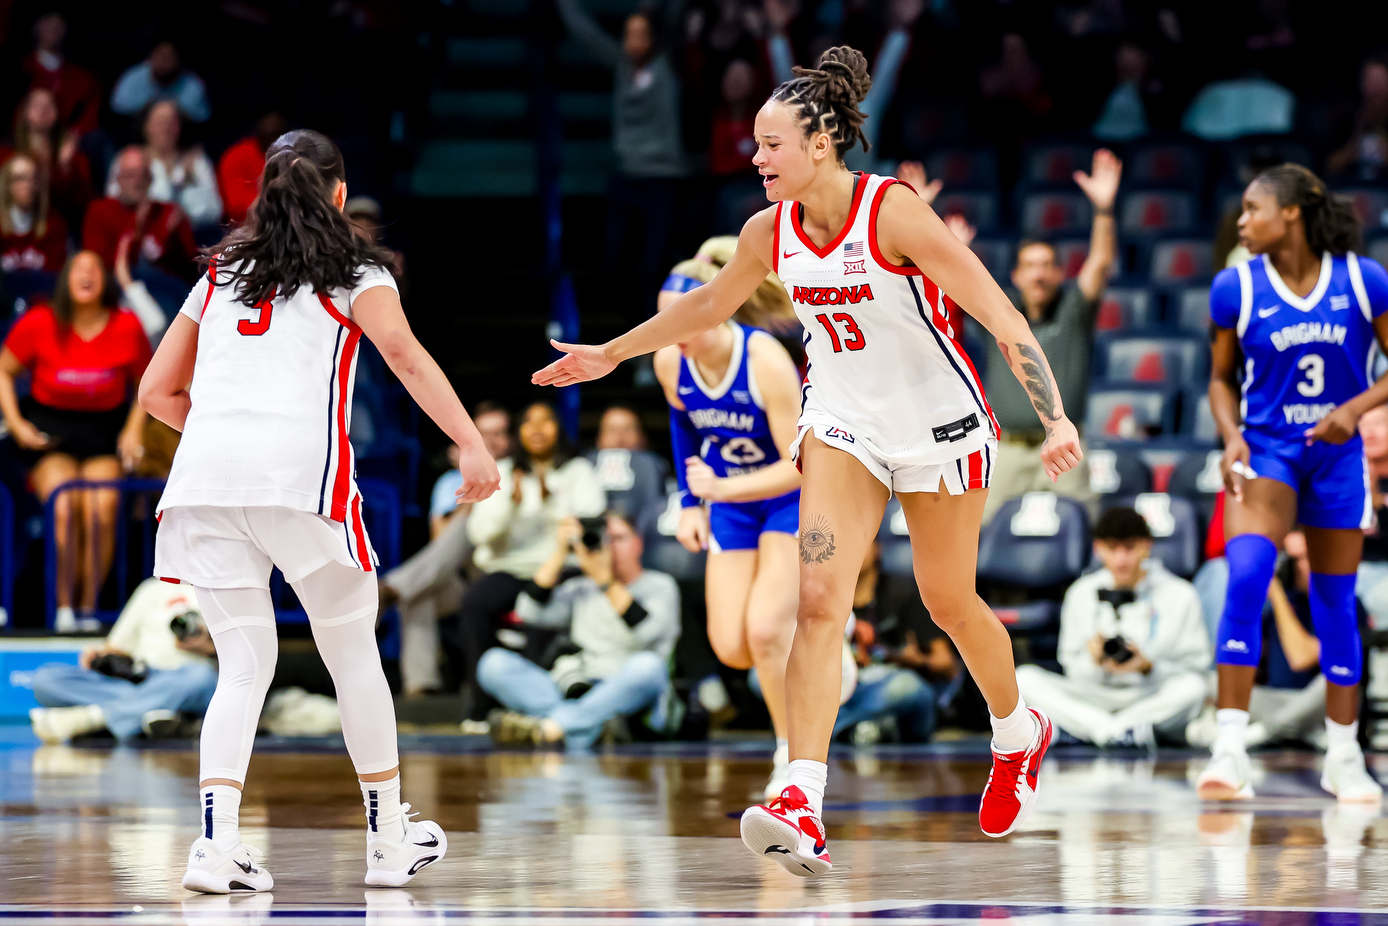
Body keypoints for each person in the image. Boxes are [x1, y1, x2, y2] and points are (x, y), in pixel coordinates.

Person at [533, 45, 1084, 875]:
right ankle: (803, 794)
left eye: (771, 145)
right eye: (755, 145)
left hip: (938, 424)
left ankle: (1017, 732)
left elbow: (998, 312)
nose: (754, 158)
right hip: (843, 424)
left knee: (949, 602)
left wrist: (1056, 415)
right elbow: (711, 304)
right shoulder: (767, 231)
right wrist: (612, 353)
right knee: (819, 604)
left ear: (820, 144)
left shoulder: (892, 213)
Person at [138, 129, 501, 891]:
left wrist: (223, 441)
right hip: (302, 483)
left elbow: (155, 395)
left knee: (242, 666)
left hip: (201, 484)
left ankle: (213, 846)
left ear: (261, 194)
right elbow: (403, 355)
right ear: (340, 195)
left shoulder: (218, 274)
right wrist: (470, 443)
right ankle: (387, 840)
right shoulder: (356, 269)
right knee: (353, 658)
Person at [1197, 163, 1388, 804]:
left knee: (1335, 602)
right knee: (1246, 579)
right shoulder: (1234, 287)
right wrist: (1231, 435)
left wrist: (1356, 410)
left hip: (1336, 457)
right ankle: (1229, 749)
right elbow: (1220, 378)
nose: (1242, 221)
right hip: (1268, 449)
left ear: (1295, 211)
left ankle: (1343, 755)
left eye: (1254, 209)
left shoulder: (1363, 280)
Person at [655, 236, 802, 799]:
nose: (670, 331)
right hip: (730, 502)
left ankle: (791, 756)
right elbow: (683, 426)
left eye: (680, 319)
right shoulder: (672, 360)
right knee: (731, 646)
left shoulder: (763, 359)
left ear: (714, 309)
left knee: (765, 631)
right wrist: (692, 503)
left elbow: (800, 466)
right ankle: (815, 640)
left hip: (786, 497)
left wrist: (720, 487)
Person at [0, 251, 149, 631]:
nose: (87, 275)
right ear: (66, 278)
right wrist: (15, 424)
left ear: (105, 282)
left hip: (104, 431)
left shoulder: (126, 326)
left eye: (95, 269)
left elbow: (146, 385)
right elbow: (3, 369)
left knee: (102, 507)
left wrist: (133, 429)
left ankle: (87, 610)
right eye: (79, 269)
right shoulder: (40, 321)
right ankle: (63, 609)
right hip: (51, 434)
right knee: (65, 505)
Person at [972, 149, 1120, 525]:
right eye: (1029, 266)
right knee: (976, 532)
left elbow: (1100, 263)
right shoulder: (998, 316)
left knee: (1088, 531)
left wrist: (1103, 210)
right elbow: (954, 282)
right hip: (1008, 450)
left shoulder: (1074, 312)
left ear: (1059, 273)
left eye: (1046, 266)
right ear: (1016, 276)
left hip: (1066, 445)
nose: (1038, 275)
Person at [456, 401, 606, 718]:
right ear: (518, 433)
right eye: (529, 422)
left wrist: (551, 503)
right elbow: (478, 535)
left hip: (564, 570)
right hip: (512, 569)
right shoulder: (502, 473)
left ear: (559, 428)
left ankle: (543, 705)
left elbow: (592, 524)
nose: (537, 429)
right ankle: (482, 705)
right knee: (474, 604)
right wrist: (510, 505)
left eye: (546, 421)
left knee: (544, 608)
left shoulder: (577, 471)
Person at [479, 512, 680, 748]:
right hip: (577, 687)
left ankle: (548, 728)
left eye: (619, 538)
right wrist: (560, 553)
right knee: (492, 664)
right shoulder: (582, 587)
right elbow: (527, 611)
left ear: (639, 542)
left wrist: (606, 581)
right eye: (605, 539)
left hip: (627, 689)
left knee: (649, 666)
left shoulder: (660, 586)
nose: (611, 547)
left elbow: (645, 633)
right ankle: (585, 726)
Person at [1015, 508, 1210, 747]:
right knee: (1022, 679)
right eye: (1111, 548)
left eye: (1129, 548)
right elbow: (1071, 667)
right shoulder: (1081, 592)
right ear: (1097, 548)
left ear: (1146, 546)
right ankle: (1118, 732)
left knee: (1195, 689)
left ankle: (1090, 731)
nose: (1120, 559)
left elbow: (1195, 668)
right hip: (1092, 695)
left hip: (1150, 694)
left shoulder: (1181, 595)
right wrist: (1093, 661)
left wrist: (1149, 667)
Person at [554, 0, 687, 312]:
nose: (633, 41)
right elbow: (588, 35)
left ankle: (657, 338)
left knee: (652, 266)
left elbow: (676, 19)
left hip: (663, 179)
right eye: (629, 34)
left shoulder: (668, 67)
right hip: (627, 175)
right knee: (612, 260)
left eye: (641, 34)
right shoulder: (623, 68)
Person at [380, 401, 512, 696]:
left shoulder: (519, 474)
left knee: (474, 514)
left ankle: (389, 588)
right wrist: (472, 480)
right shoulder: (449, 482)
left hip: (499, 573)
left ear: (511, 439)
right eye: (483, 434)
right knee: (417, 595)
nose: (490, 442)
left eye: (499, 433)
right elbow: (441, 542)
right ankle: (421, 686)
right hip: (457, 573)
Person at [1188, 530, 1346, 751]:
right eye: (1294, 560)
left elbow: (1301, 658)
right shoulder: (1278, 606)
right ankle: (1299, 731)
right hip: (1278, 701)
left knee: (1334, 680)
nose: (1300, 567)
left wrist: (1276, 593)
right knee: (1214, 681)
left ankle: (1263, 734)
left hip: (1319, 705)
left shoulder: (1343, 604)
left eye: (1308, 558)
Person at [28, 578, 216, 742]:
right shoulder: (151, 588)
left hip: (190, 677)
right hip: (140, 677)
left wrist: (209, 649)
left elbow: (241, 657)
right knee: (46, 680)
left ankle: (94, 718)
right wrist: (100, 657)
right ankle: (158, 714)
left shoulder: (218, 591)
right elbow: (117, 646)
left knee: (202, 677)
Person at [83, 146, 200, 312]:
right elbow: (99, 265)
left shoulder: (168, 212)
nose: (137, 182)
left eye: (143, 175)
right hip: (120, 290)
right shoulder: (100, 211)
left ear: (151, 179)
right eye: (130, 175)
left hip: (169, 288)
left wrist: (173, 239)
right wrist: (137, 231)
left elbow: (190, 268)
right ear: (118, 180)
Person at [108, 100, 221, 229]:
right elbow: (114, 203)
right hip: (141, 232)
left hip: (194, 236)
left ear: (180, 127)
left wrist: (186, 186)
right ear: (145, 126)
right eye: (159, 122)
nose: (165, 128)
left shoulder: (197, 161)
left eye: (171, 123)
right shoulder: (129, 159)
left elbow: (214, 211)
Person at [1, 86, 94, 224]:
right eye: (36, 104)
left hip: (59, 230)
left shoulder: (76, 158)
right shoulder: (7, 155)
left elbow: (84, 208)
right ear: (24, 112)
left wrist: (65, 167)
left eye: (50, 104)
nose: (44, 108)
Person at [21, 13, 102, 137]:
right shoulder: (21, 69)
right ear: (36, 26)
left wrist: (72, 135)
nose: (53, 29)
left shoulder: (82, 77)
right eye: (48, 22)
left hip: (71, 138)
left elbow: (90, 117)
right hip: (23, 137)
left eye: (59, 25)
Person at [586, 404, 668, 521]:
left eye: (628, 429)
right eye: (612, 429)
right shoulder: (582, 467)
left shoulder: (652, 465)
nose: (620, 437)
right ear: (598, 438)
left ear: (643, 438)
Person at [110, 41, 211, 124]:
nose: (164, 60)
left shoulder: (192, 85)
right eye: (160, 55)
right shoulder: (133, 77)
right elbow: (118, 111)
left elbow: (202, 119)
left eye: (170, 56)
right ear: (150, 57)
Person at [0, 153, 68, 274]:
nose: (28, 185)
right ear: (7, 184)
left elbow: (55, 277)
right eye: (20, 178)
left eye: (32, 178)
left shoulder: (53, 225)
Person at [217, 112, 287, 226]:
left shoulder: (296, 158)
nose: (275, 139)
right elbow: (236, 208)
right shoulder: (236, 156)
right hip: (247, 230)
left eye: (278, 134)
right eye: (271, 134)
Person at [1327, 58, 1388, 182]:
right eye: (1369, 81)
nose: (1374, 90)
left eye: (1379, 82)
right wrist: (1358, 135)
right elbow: (1329, 167)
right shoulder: (1346, 118)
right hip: (1351, 190)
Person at [1356, 403, 1388, 624]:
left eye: (1378, 424)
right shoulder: (1340, 477)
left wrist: (1376, 500)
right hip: (1348, 572)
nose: (1369, 433)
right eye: (1363, 425)